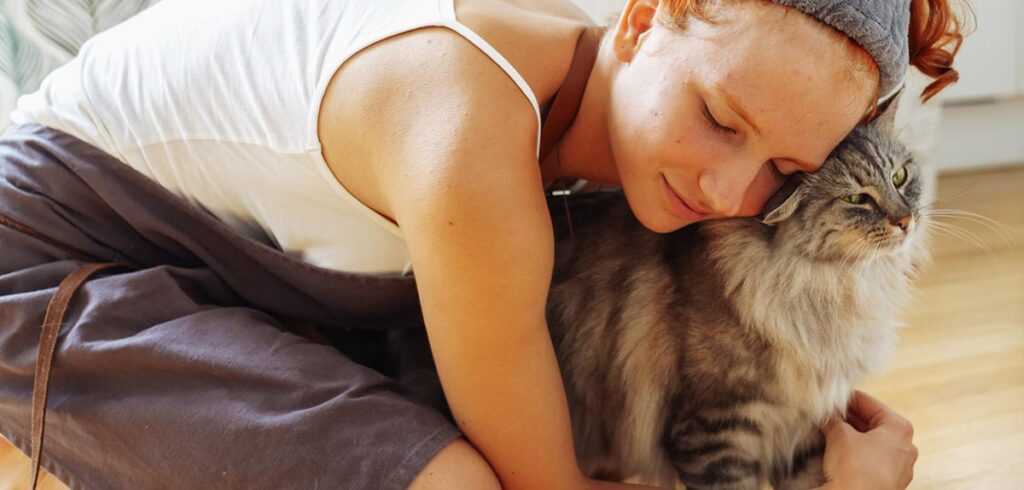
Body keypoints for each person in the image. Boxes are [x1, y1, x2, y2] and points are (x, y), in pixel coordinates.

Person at [0, 0, 965, 489]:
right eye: (718, 116)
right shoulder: (470, 131)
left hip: (241, 276)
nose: (727, 191)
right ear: (639, 19)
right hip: (42, 265)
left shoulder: (589, 91)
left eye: (782, 168)